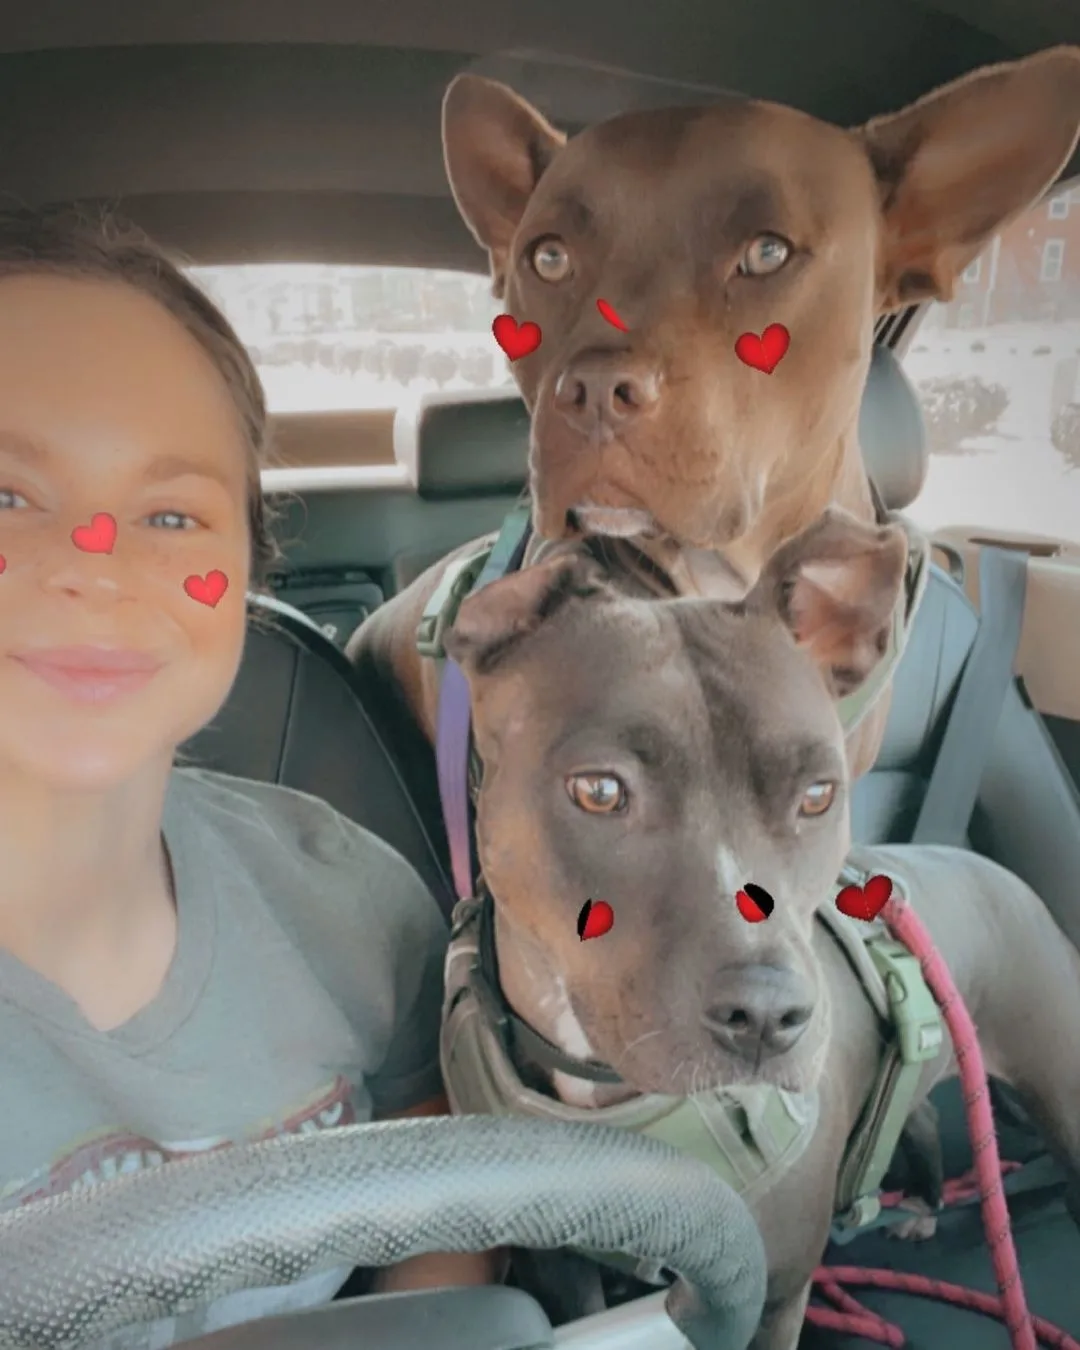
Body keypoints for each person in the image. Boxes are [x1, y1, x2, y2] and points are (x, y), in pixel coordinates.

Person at [0, 205, 493, 1347]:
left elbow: (442, 1157)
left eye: (171, 513)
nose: (97, 563)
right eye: (9, 493)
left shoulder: (344, 895)